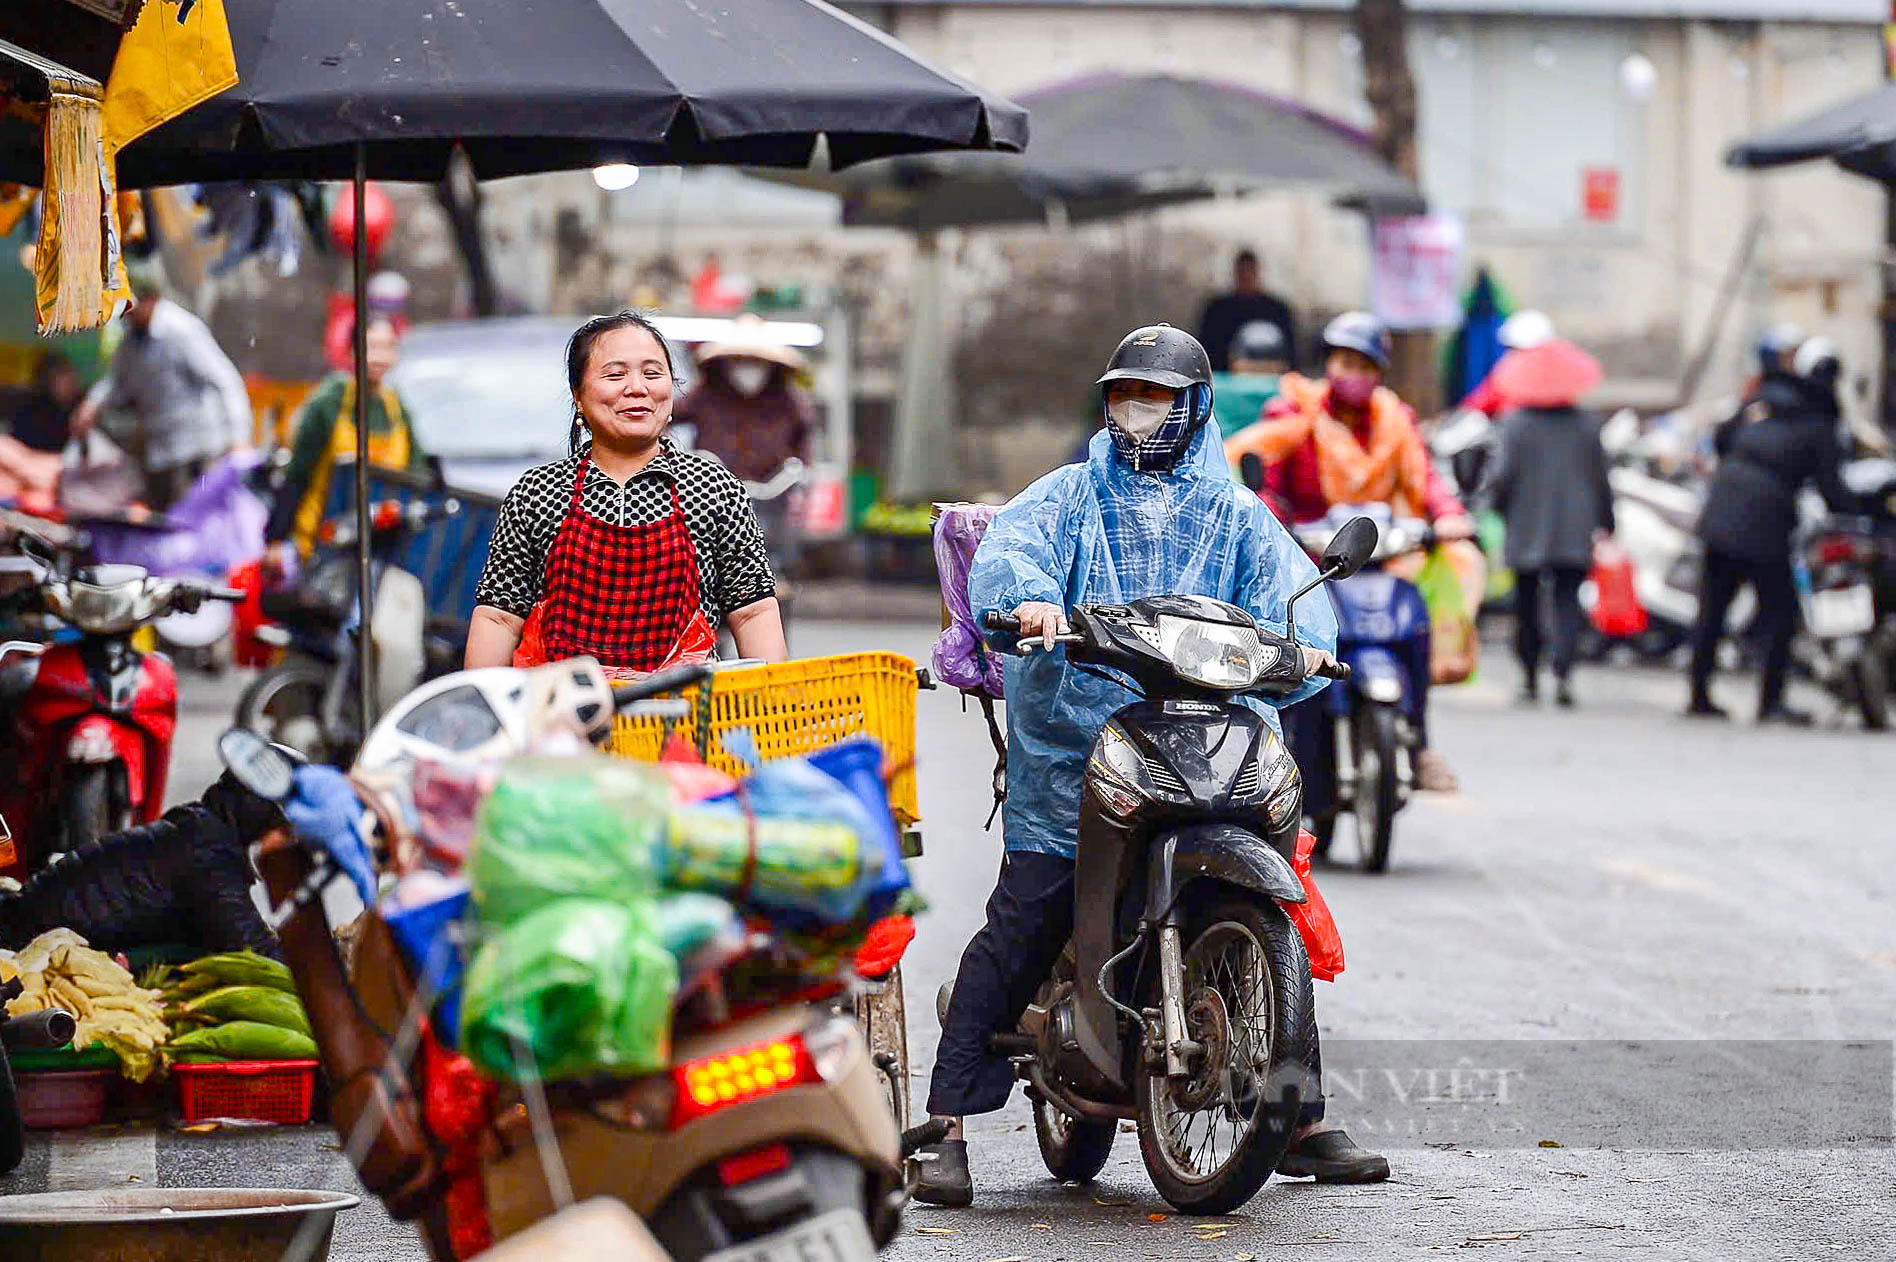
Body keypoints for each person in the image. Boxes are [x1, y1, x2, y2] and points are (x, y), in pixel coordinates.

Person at [913, 324, 1388, 1208]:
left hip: (1205, 734)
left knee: (1270, 893)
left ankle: (1299, 1116)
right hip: (1079, 747)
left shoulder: (1236, 511)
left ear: (1197, 406)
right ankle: (944, 1125)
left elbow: (1289, 592)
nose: (1142, 409)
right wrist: (1031, 609)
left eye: (1161, 395)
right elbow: (1013, 562)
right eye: (1127, 392)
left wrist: (1309, 645)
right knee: (1029, 910)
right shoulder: (1066, 499)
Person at [1224, 312, 1481, 792]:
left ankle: (1420, 742)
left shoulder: (1395, 420)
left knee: (1415, 624)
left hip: (1379, 552)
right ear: (1329, 365)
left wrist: (1447, 516)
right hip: (1310, 560)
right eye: (1345, 362)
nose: (1355, 375)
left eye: (1365, 366)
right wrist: (1274, 522)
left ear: (1379, 372)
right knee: (1299, 654)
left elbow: (1424, 479)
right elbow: (1267, 482)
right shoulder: (1293, 415)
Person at [465, 311, 787, 672]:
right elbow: (499, 617)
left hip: (681, 713)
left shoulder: (713, 486)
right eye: (616, 375)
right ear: (579, 396)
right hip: (564, 716)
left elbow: (753, 610)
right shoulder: (537, 492)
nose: (637, 388)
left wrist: (773, 709)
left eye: (652, 373)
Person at [1688, 336, 1851, 724]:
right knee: (1780, 613)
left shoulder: (1763, 398)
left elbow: (1721, 437)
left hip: (1722, 507)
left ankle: (1698, 694)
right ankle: (1771, 702)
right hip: (1764, 521)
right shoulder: (1820, 418)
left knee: (1713, 609)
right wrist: (1855, 515)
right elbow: (1832, 486)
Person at [1481, 337, 1615, 707]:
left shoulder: (1515, 425)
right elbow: (1601, 479)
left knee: (1526, 603)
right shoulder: (1587, 426)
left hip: (1527, 527)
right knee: (1567, 602)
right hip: (1575, 527)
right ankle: (1563, 672)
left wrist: (1496, 509)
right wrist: (1607, 521)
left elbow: (1502, 476)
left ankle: (1528, 676)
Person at [70, 264, 252, 511]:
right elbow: (118, 382)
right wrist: (92, 405)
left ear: (152, 300)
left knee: (195, 520)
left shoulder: (180, 330)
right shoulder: (130, 341)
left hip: (197, 449)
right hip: (161, 452)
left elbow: (224, 380)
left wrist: (239, 438)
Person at [264, 316, 429, 572]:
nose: (379, 356)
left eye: (387, 347)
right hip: (322, 543)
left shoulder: (396, 408)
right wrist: (275, 539)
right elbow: (298, 473)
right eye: (371, 347)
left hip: (380, 548)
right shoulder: (330, 401)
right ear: (352, 351)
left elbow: (416, 475)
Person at [672, 315, 813, 484]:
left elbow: (803, 441)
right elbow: (665, 417)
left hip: (771, 498)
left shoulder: (788, 401)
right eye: (739, 360)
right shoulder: (706, 395)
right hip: (713, 492)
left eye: (756, 361)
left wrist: (800, 476)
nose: (748, 368)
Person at [1198, 250, 1299, 374]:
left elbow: (1292, 359)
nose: (1246, 277)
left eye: (1249, 272)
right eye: (1242, 272)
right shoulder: (1217, 311)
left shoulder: (1277, 310)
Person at [7, 350, 84, 454]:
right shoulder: (29, 412)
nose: (71, 381)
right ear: (48, 380)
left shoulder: (82, 407)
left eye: (71, 374)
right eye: (63, 375)